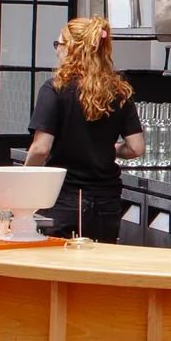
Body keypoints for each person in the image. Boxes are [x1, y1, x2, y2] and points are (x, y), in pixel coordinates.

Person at [24, 18, 146, 243]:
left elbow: (41, 149)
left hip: (65, 198)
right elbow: (136, 148)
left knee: (63, 268)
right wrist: (109, 148)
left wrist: (24, 183)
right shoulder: (119, 91)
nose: (57, 51)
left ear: (71, 48)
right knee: (98, 270)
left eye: (58, 44)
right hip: (107, 202)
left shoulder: (54, 88)